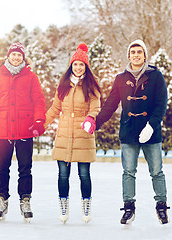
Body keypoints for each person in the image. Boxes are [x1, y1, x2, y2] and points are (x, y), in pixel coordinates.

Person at [95, 40, 170, 225]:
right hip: (128, 131)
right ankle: (129, 208)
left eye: (139, 52)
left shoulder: (156, 76)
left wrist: (152, 126)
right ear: (128, 56)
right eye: (133, 52)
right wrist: (96, 122)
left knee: (157, 171)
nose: (136, 55)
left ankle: (161, 206)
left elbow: (161, 104)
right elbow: (111, 104)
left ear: (145, 55)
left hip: (151, 133)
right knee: (128, 172)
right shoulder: (121, 78)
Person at [0, 42, 46, 222]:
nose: (16, 58)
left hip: (25, 129)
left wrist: (39, 121)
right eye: (13, 55)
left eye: (19, 55)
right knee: (2, 168)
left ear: (23, 58)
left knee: (25, 168)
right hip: (3, 130)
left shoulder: (31, 77)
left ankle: (25, 200)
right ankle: (2, 199)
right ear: (8, 56)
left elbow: (39, 100)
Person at [44, 43, 101, 224]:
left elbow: (95, 107)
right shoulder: (63, 84)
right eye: (75, 64)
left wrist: (90, 118)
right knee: (63, 174)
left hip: (83, 132)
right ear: (71, 66)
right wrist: (41, 124)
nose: (78, 67)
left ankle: (86, 205)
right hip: (64, 132)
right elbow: (55, 108)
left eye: (81, 65)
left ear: (86, 67)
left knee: (84, 174)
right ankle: (64, 205)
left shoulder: (91, 85)